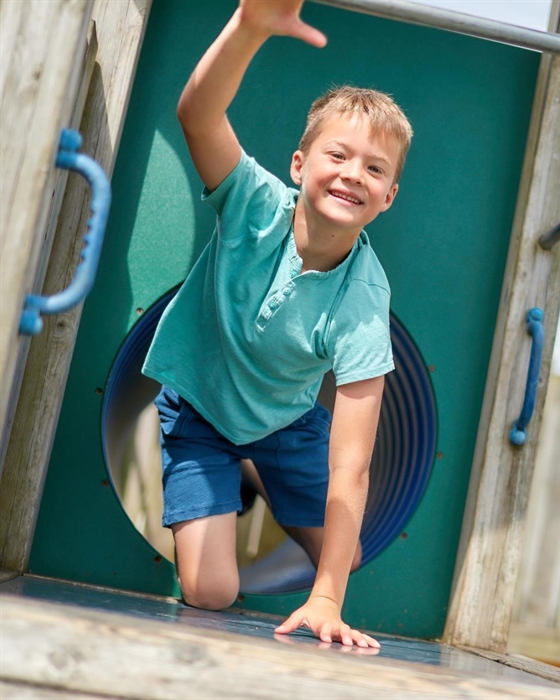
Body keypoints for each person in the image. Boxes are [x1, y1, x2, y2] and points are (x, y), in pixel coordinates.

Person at [142, 0, 414, 649]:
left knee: (342, 559)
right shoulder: (252, 204)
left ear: (389, 196)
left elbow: (352, 463)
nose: (353, 174)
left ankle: (259, 471)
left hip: (286, 423)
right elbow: (197, 115)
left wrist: (326, 598)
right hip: (201, 407)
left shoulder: (361, 300)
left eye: (375, 169)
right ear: (299, 165)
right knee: (211, 592)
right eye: (339, 155)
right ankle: (232, 469)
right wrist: (249, 28)